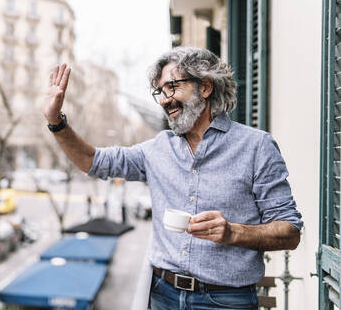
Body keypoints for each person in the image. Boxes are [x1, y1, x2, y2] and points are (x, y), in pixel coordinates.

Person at [43, 46, 303, 310]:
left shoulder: (256, 146)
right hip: (162, 296)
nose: (165, 100)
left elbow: (290, 232)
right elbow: (93, 161)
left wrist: (232, 232)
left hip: (226, 301)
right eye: (160, 92)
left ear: (205, 87)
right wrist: (56, 122)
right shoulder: (157, 148)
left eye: (172, 87)